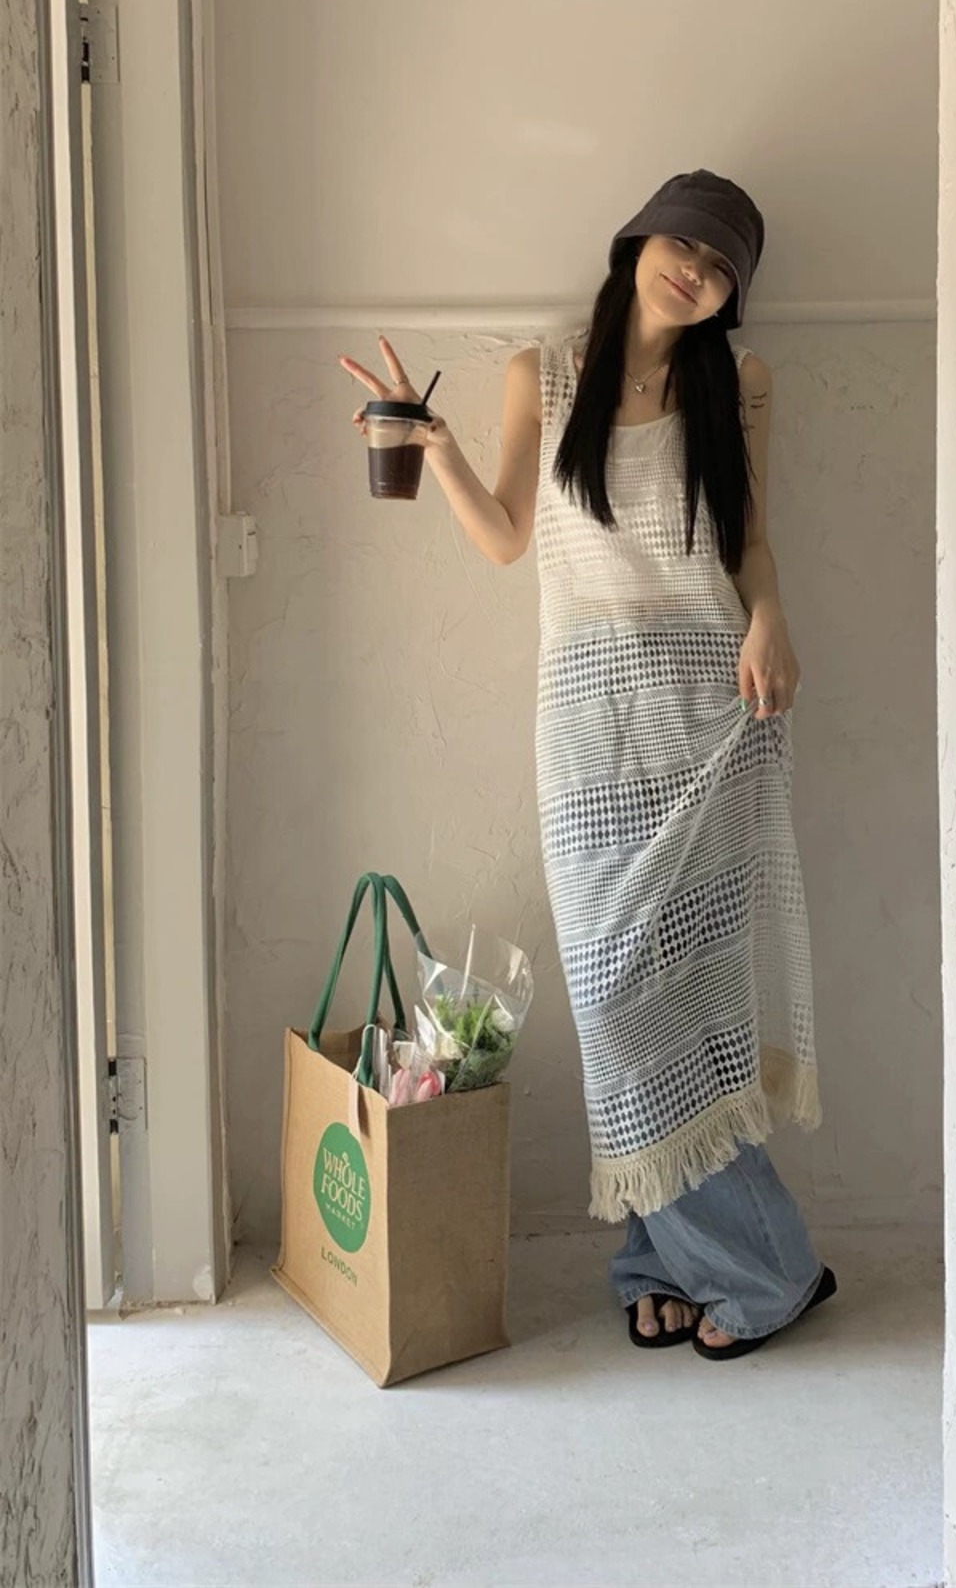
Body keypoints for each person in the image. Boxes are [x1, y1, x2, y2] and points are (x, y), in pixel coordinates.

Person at [339, 168, 834, 1358]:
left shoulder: (738, 383)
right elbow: (508, 536)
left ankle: (750, 1271)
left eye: (719, 268)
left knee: (691, 1004)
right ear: (637, 241)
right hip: (586, 728)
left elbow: (748, 540)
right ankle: (689, 1258)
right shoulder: (544, 374)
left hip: (710, 712)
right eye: (683, 246)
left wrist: (770, 617)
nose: (694, 273)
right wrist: (437, 446)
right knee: (617, 998)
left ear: (730, 295)